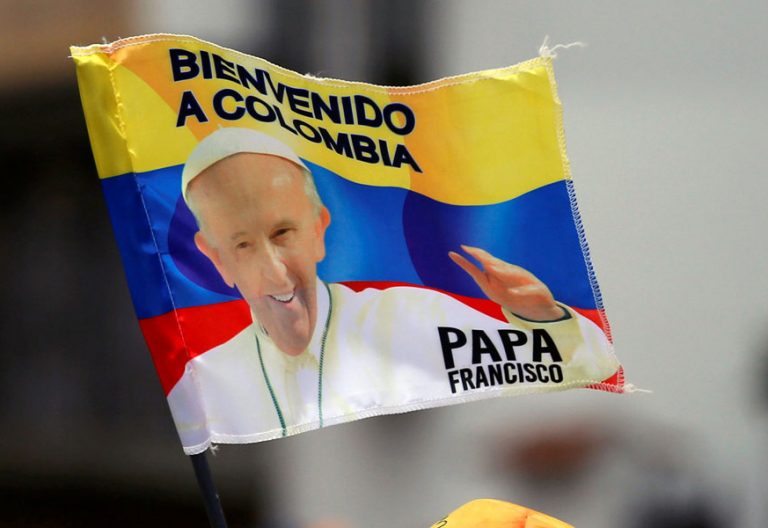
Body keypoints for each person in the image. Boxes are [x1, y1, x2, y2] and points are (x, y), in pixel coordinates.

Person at [167, 127, 619, 454]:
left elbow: (587, 361)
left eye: (283, 233)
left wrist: (543, 319)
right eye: (243, 245)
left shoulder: (408, 314)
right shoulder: (205, 379)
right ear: (216, 259)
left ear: (320, 229)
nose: (274, 271)